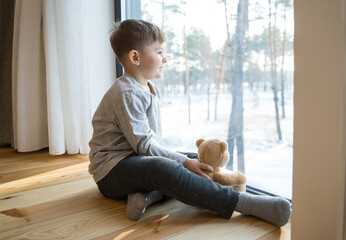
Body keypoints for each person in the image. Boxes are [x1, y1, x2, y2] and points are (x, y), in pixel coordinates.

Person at [88, 19, 291, 227]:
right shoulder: (127, 93)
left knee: (197, 160)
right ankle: (245, 203)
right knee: (169, 166)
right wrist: (183, 163)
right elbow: (145, 146)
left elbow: (150, 146)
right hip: (112, 173)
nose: (164, 59)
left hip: (138, 162)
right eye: (158, 52)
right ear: (135, 57)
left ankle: (148, 194)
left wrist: (186, 161)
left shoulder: (146, 87)